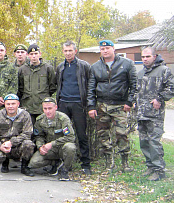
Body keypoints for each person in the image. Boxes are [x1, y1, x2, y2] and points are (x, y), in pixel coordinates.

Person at [87, 40, 137, 171]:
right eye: (102, 49)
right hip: (102, 106)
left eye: (107, 48)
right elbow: (91, 88)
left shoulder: (127, 64)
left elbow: (134, 85)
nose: (105, 51)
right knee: (103, 135)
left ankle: (125, 163)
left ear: (113, 49)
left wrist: (129, 102)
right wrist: (91, 107)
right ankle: (109, 162)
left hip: (120, 105)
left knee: (121, 134)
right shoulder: (95, 67)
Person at [135, 47, 174, 181]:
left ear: (154, 56)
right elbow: (137, 91)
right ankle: (150, 167)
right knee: (144, 142)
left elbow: (171, 87)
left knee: (154, 143)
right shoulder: (141, 73)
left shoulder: (164, 70)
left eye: (147, 56)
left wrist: (160, 98)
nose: (145, 59)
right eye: (143, 57)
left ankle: (159, 170)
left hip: (155, 115)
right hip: (142, 114)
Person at [55, 41, 92, 175]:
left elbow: (90, 85)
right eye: (65, 51)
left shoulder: (84, 66)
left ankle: (86, 164)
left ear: (75, 51)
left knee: (81, 134)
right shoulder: (60, 67)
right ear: (63, 52)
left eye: (70, 50)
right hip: (63, 104)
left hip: (78, 104)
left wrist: (89, 103)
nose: (68, 53)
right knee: (62, 133)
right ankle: (63, 163)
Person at [29, 97, 77, 181]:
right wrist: (40, 146)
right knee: (33, 163)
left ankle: (65, 169)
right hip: (50, 149)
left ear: (55, 107)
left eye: (50, 108)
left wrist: (52, 144)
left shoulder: (63, 118)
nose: (48, 111)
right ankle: (55, 163)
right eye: (45, 108)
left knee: (70, 147)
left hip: (62, 147)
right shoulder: (40, 120)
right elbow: (39, 136)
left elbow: (70, 137)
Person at [0, 94, 35, 176]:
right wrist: (0, 146)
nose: (10, 106)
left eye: (13, 104)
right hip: (4, 146)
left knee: (29, 144)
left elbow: (27, 134)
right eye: (8, 104)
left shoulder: (25, 115)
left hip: (18, 146)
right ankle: (5, 163)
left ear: (18, 104)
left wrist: (12, 142)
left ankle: (24, 166)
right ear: (4, 104)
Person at [18, 44, 56, 123]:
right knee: (29, 131)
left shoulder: (47, 68)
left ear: (40, 54)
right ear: (28, 55)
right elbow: (20, 88)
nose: (34, 56)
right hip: (28, 106)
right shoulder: (22, 70)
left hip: (43, 107)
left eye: (36, 53)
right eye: (31, 54)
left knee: (43, 131)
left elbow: (52, 87)